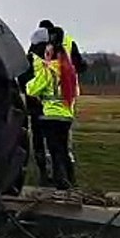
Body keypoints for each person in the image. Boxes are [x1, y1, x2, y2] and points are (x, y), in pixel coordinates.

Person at [25, 31, 79, 190]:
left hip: (51, 116)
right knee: (63, 150)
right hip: (66, 115)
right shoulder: (69, 71)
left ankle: (60, 183)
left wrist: (30, 84)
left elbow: (33, 89)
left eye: (47, 53)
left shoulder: (48, 70)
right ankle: (71, 180)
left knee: (54, 151)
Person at [18, 28, 53, 187]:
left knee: (40, 141)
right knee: (52, 142)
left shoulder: (27, 60)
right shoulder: (50, 58)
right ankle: (52, 174)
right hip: (49, 108)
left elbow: (22, 82)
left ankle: (44, 173)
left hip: (36, 108)